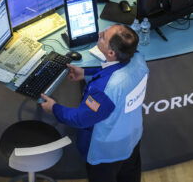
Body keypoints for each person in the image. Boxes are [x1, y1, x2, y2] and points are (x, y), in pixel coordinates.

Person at [39, 24, 149, 182]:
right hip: (132, 137)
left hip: (107, 151)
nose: (99, 34)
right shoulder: (138, 59)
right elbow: (116, 71)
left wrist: (54, 108)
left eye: (103, 36)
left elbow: (80, 118)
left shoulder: (105, 90)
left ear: (111, 52)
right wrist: (85, 73)